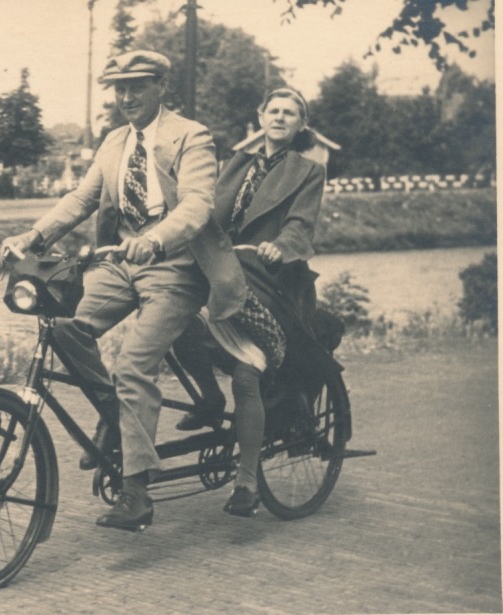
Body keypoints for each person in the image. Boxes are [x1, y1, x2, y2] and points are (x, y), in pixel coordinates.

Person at [0, 50, 247, 531]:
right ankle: (116, 417)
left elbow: (197, 205)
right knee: (64, 326)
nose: (127, 96)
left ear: (161, 86)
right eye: (119, 88)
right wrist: (32, 236)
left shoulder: (191, 136)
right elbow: (82, 199)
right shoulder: (115, 141)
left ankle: (136, 493)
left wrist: (155, 239)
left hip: (175, 265)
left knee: (133, 366)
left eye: (137, 86)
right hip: (121, 263)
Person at [170, 86, 328, 517]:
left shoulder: (308, 170)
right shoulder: (236, 163)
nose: (279, 118)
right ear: (260, 116)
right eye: (273, 110)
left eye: (289, 113)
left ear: (300, 124)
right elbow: (204, 211)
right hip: (221, 271)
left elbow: (301, 225)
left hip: (270, 282)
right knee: (174, 323)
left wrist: (281, 246)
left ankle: (246, 483)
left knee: (247, 375)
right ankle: (209, 398)